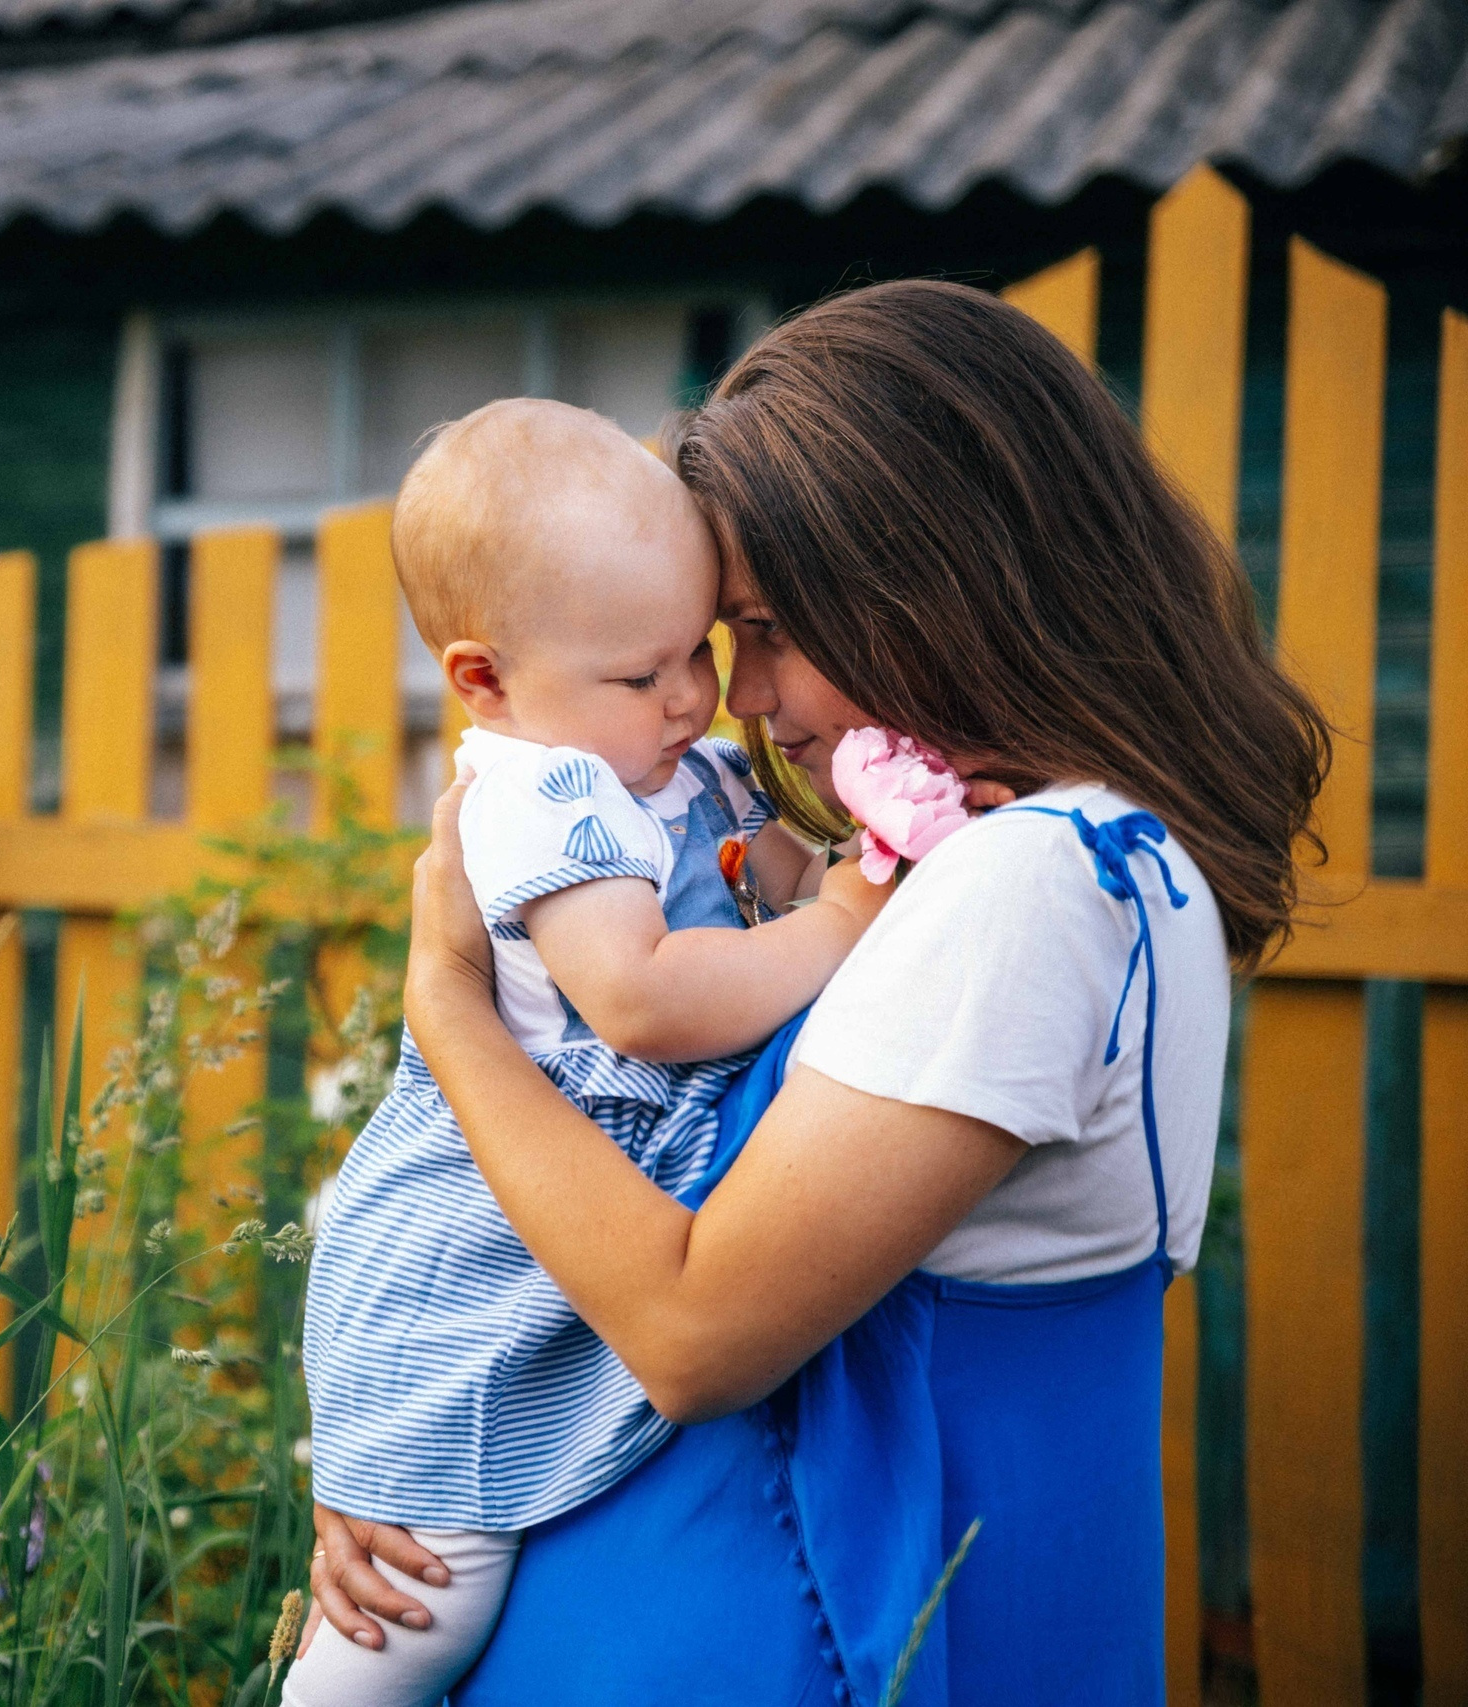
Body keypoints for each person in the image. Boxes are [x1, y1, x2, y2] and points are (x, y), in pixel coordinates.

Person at [303, 279, 1331, 1705]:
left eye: (768, 627)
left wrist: (451, 1015)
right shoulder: (1022, 857)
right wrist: (419, 1445)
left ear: (938, 582)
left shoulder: (1037, 881)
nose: (741, 697)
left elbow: (688, 1332)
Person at [287, 401, 889, 1707]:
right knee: (423, 1597)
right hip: (482, 1241)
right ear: (484, 681)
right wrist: (845, 917)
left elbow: (757, 869)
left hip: (575, 1223)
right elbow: (644, 1000)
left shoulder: (660, 761)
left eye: (699, 652)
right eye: (641, 674)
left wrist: (854, 861)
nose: (689, 699)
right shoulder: (541, 793)